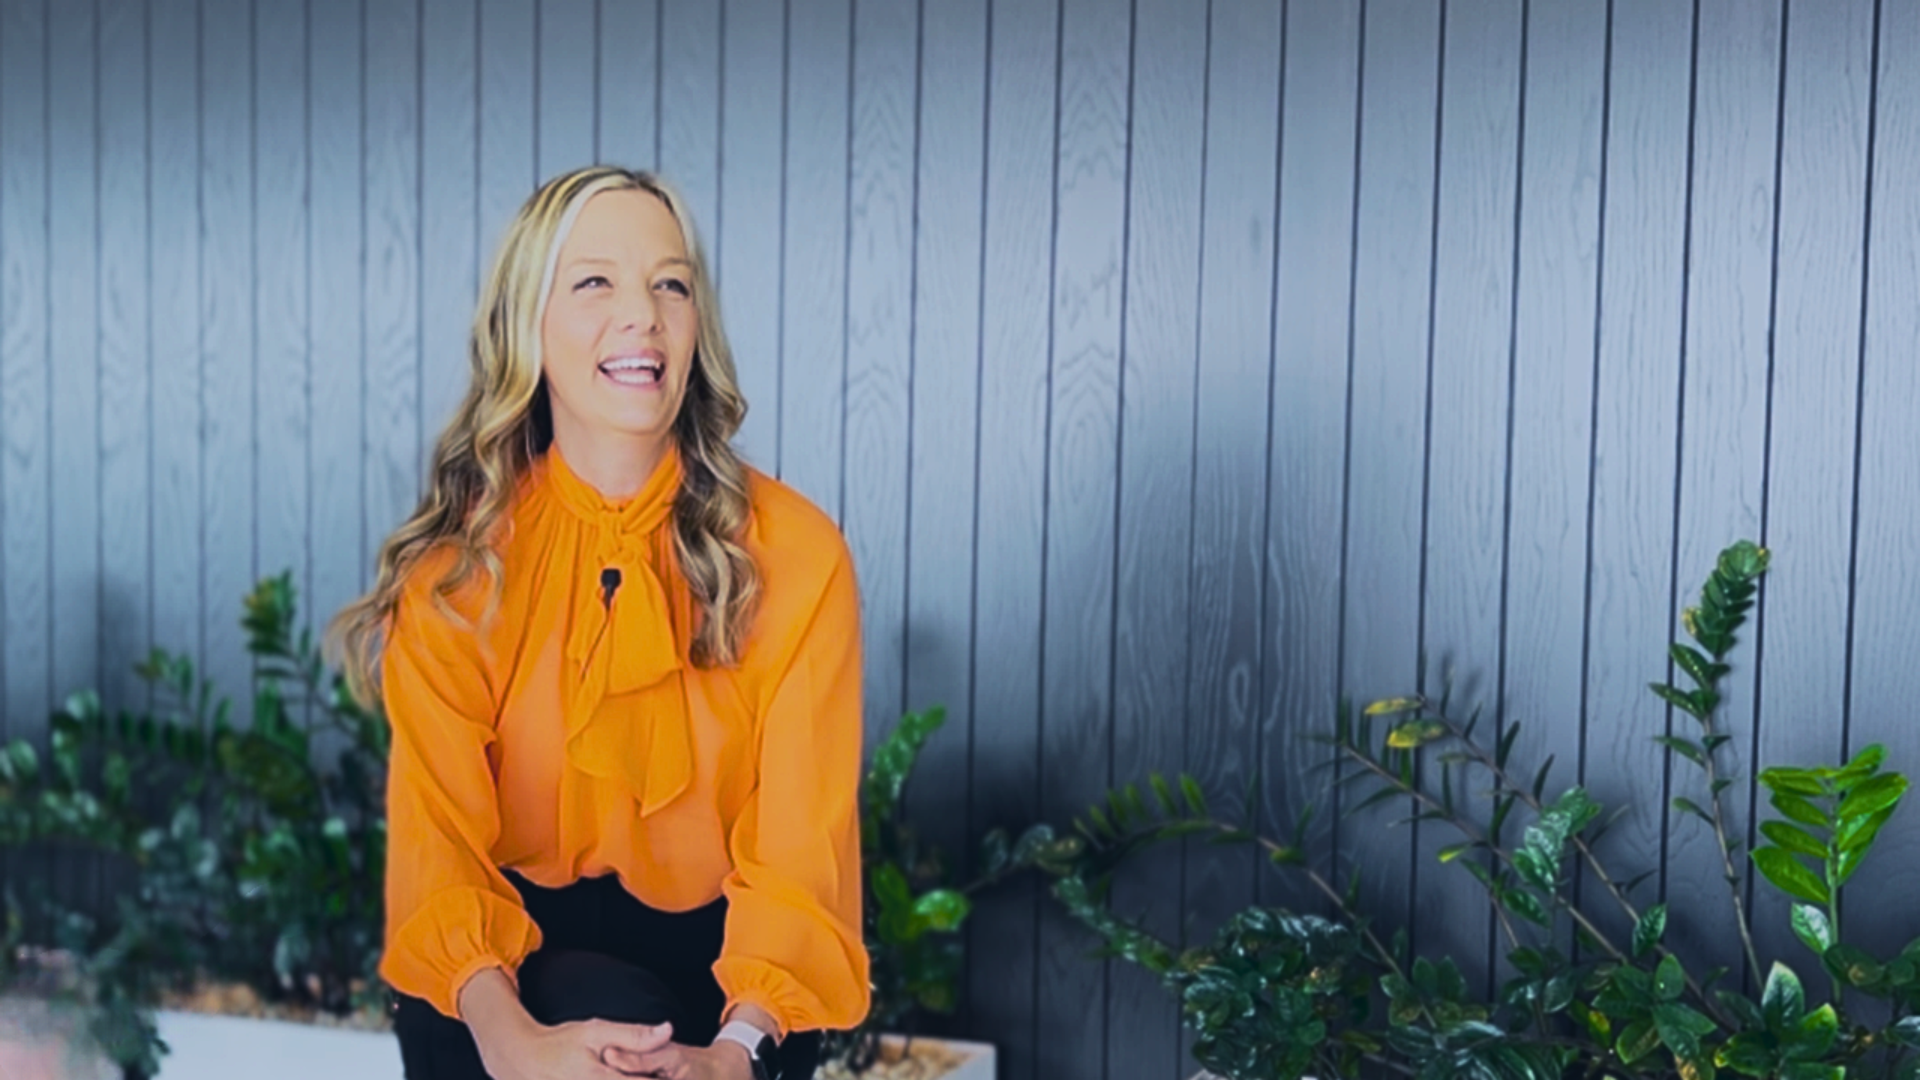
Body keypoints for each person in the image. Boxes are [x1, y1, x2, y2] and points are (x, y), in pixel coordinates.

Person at [330, 166, 870, 1080]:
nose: (645, 316)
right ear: (526, 322)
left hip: (732, 1002)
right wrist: (513, 1048)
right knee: (585, 1009)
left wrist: (732, 1056)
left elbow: (797, 859)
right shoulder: (457, 575)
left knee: (630, 1024)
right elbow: (441, 854)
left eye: (671, 283)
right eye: (595, 282)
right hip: (495, 992)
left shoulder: (797, 555)